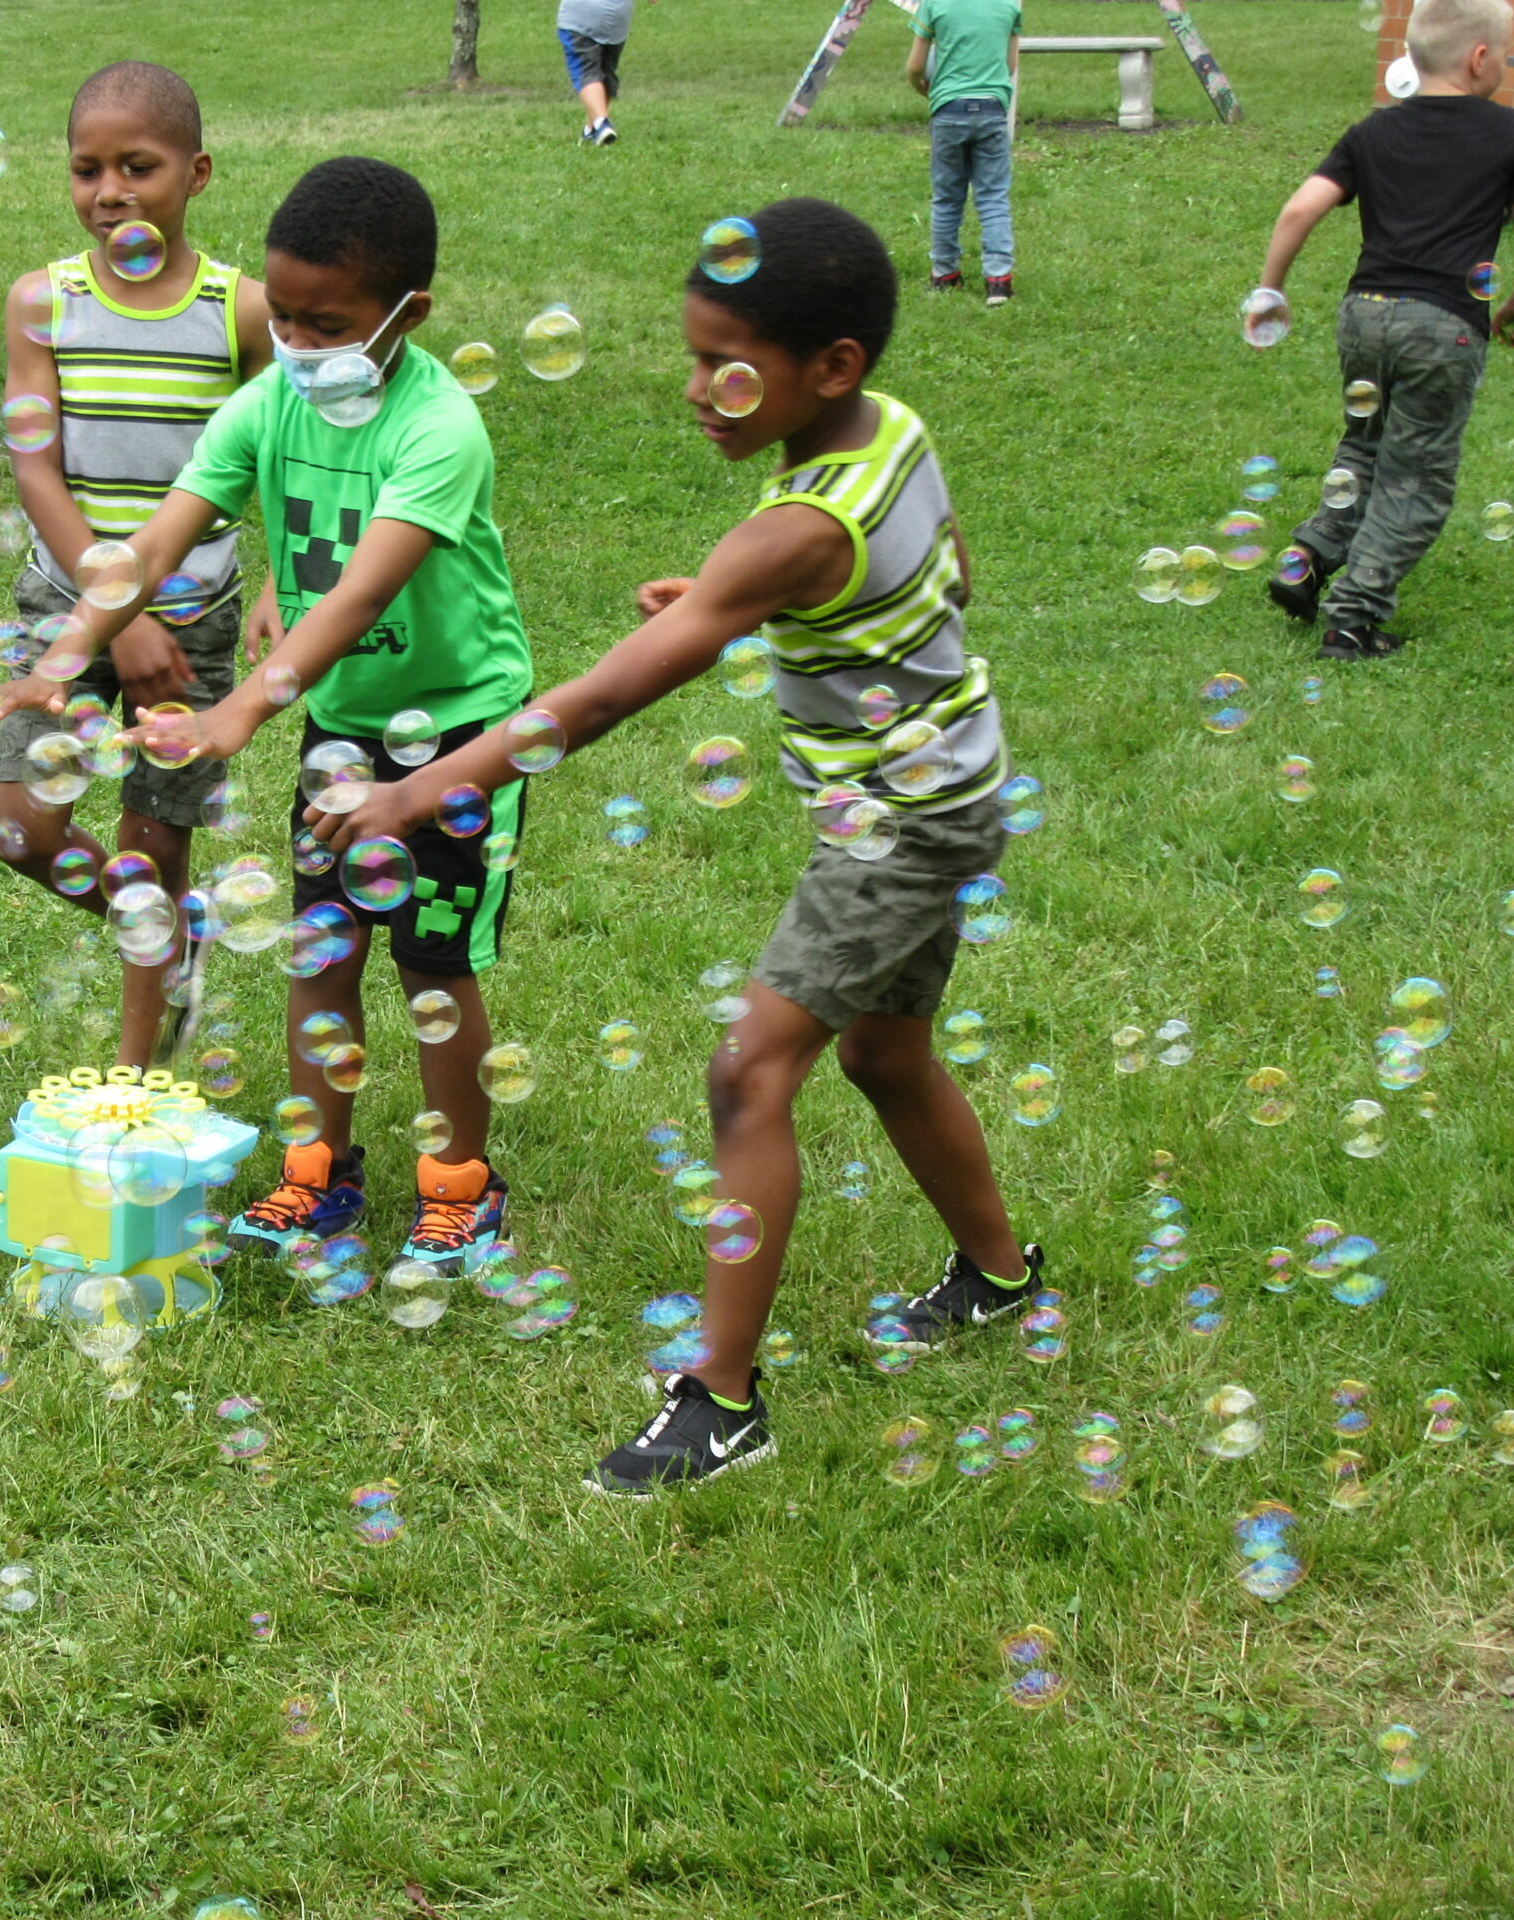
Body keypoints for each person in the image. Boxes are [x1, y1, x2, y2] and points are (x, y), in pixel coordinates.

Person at [313, 198, 1044, 1493]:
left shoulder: (792, 533)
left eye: (728, 366)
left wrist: (415, 796)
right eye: (693, 355)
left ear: (833, 367)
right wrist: (742, 601)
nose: (697, 389)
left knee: (748, 1075)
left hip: (897, 831)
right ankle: (997, 1277)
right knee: (883, 1052)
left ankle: (722, 1401)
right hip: (956, 788)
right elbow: (950, 575)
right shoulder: (893, 441)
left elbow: (592, 704)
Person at [4, 156, 534, 1278]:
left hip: (458, 733)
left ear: (406, 316)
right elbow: (152, 542)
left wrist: (239, 711)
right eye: (282, 318)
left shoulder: (439, 429)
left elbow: (358, 595)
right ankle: (316, 1176)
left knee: (433, 962)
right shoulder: (264, 404)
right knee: (322, 948)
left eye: (324, 323)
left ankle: (460, 1192)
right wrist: (64, 655)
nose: (295, 342)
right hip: (343, 726)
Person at [0, 60, 273, 1068]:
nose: (108, 190)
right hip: (65, 598)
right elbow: (35, 470)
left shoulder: (241, 310)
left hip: (192, 608)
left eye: (137, 166)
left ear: (195, 174)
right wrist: (123, 614)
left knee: (157, 836)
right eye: (86, 168)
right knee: (23, 826)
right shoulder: (43, 301)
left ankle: (138, 1071)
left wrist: (280, 577)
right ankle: (161, 931)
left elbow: (285, 454)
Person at [1255, 0, 1514, 662]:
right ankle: (1351, 620)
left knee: (1364, 446)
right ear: (1481, 59)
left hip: (1362, 313)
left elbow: (1301, 208)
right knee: (1415, 475)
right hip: (1441, 325)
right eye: (1503, 56)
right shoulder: (1509, 132)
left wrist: (1270, 289)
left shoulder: (1372, 131)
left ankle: (1305, 558)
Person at [906, 0, 1019, 304]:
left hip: (947, 110)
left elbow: (915, 67)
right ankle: (998, 280)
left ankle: (945, 274)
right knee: (993, 196)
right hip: (992, 107)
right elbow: (1009, 66)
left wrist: (924, 89)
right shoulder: (1009, 5)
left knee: (947, 197)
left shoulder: (933, 5)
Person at [559, 0, 650, 146]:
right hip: (617, 19)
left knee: (585, 71)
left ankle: (602, 122)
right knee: (604, 72)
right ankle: (590, 131)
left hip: (580, 16)